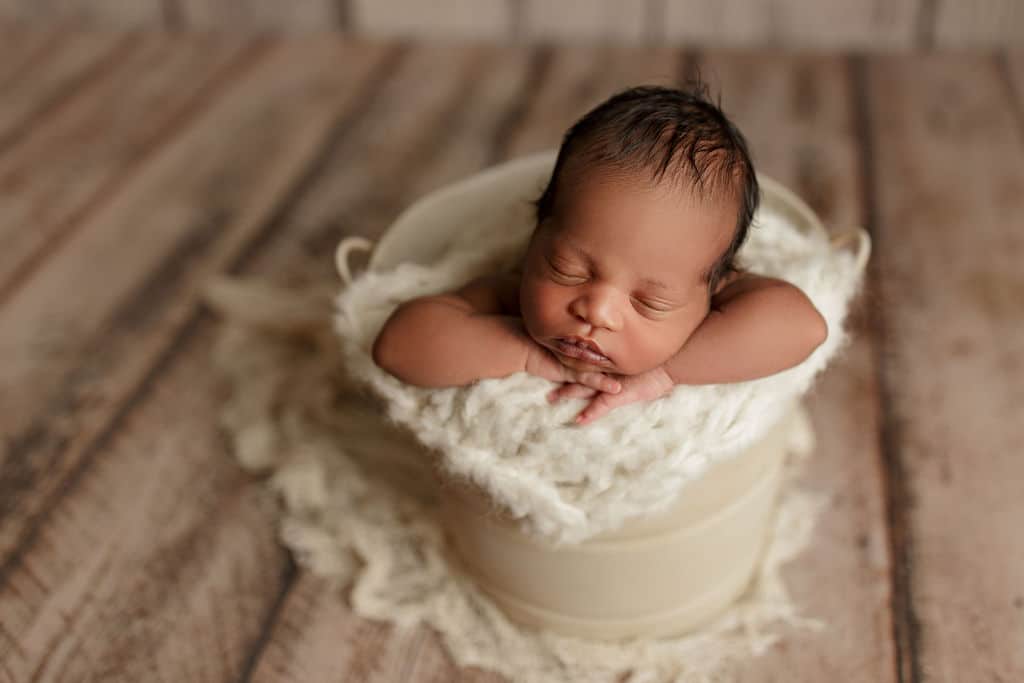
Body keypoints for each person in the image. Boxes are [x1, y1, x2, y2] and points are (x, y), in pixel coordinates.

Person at [371, 85, 827, 425]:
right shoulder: (511, 295)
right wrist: (527, 356)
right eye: (568, 270)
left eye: (650, 302)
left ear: (714, 287)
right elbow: (397, 346)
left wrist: (666, 372)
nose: (597, 310)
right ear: (536, 236)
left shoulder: (717, 304)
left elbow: (803, 326)